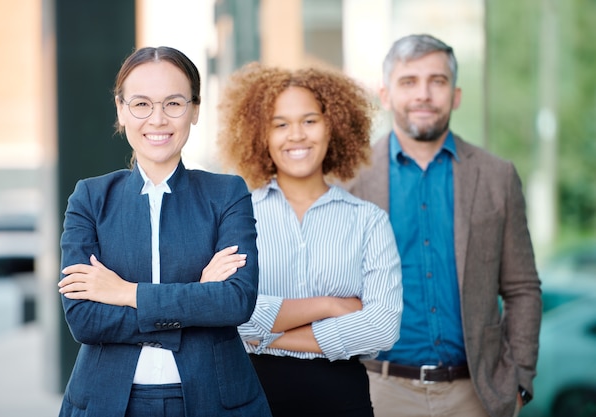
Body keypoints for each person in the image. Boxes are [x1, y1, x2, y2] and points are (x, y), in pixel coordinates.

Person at [57, 46, 272, 417]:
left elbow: (235, 301)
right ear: (121, 110)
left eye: (173, 103)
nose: (157, 119)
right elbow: (84, 319)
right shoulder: (90, 198)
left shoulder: (227, 194)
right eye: (141, 104)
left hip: (215, 400)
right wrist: (198, 299)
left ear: (195, 109)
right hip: (107, 401)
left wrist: (125, 293)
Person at [346, 34, 542, 417]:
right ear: (385, 96)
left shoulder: (496, 176)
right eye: (409, 82)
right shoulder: (349, 178)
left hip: (476, 396)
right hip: (377, 391)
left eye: (437, 81)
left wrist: (519, 380)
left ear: (455, 96)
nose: (424, 94)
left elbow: (522, 288)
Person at [216, 62, 403, 417]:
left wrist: (266, 337)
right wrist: (329, 305)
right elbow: (227, 313)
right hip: (251, 397)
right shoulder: (236, 216)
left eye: (309, 120)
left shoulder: (369, 221)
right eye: (280, 124)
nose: (297, 135)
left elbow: (381, 329)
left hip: (342, 400)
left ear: (332, 126)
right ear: (260, 134)